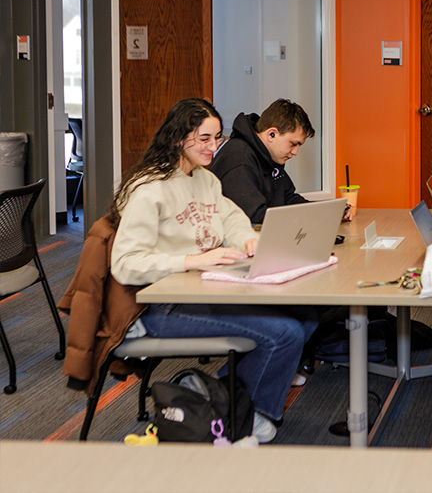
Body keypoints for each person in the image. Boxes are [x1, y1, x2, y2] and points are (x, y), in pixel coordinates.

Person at [109, 98, 318, 443]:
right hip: (161, 306)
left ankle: (215, 398)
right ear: (179, 138)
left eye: (216, 138)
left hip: (203, 289)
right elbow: (125, 265)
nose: (213, 147)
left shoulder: (203, 179)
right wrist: (191, 261)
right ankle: (251, 416)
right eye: (203, 139)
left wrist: (248, 240)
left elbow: (232, 217)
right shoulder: (148, 189)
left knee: (306, 316)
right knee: (284, 333)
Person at [209, 98, 315, 224]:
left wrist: (323, 213)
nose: (295, 152)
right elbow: (255, 217)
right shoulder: (238, 157)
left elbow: (288, 199)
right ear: (271, 134)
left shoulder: (271, 156)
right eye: (293, 144)